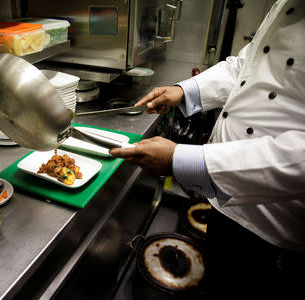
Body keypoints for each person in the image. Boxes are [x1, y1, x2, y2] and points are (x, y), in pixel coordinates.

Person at [109, 0, 304, 297]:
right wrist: (184, 90)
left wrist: (184, 160)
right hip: (226, 200)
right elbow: (246, 65)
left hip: (275, 227)